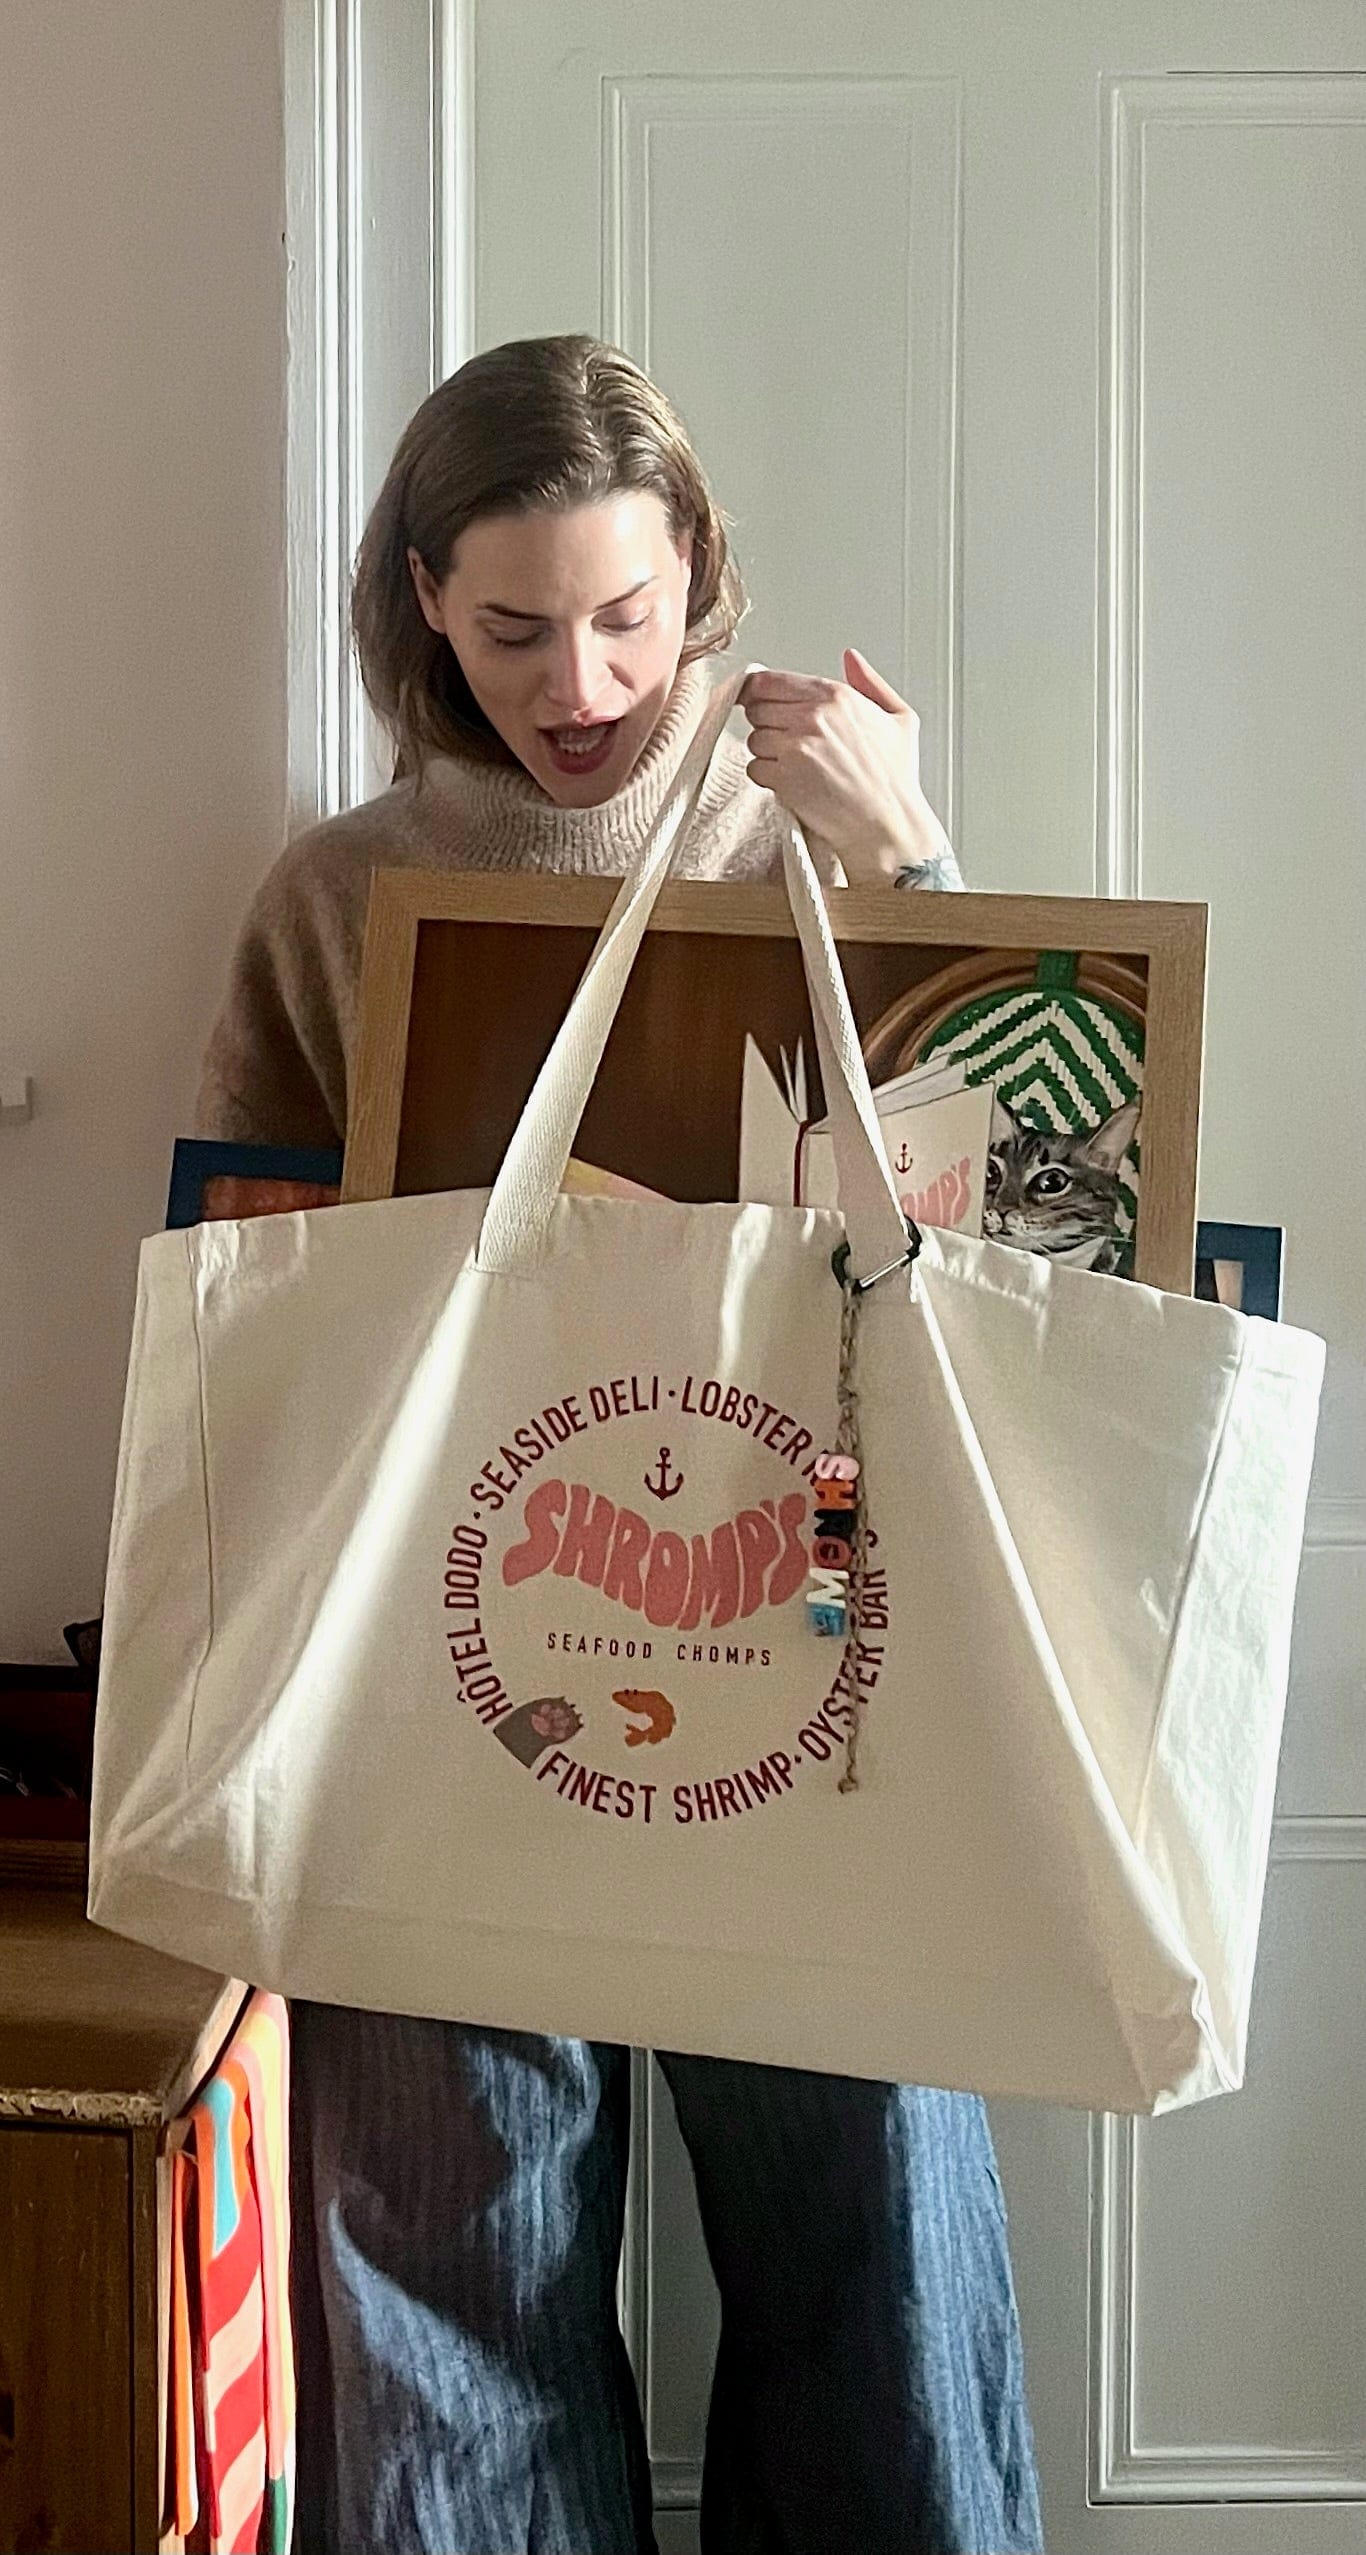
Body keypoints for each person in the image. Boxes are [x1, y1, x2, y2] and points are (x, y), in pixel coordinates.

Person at [196, 334, 1043, 2555]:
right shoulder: (336, 888)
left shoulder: (810, 842)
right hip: (443, 1632)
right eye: (506, 628)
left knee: (873, 2230)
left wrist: (916, 861)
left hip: (821, 1626)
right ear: (417, 605)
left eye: (626, 616)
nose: (574, 680)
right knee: (441, 2286)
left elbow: (1034, 1233)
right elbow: (235, 1286)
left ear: (702, 590)